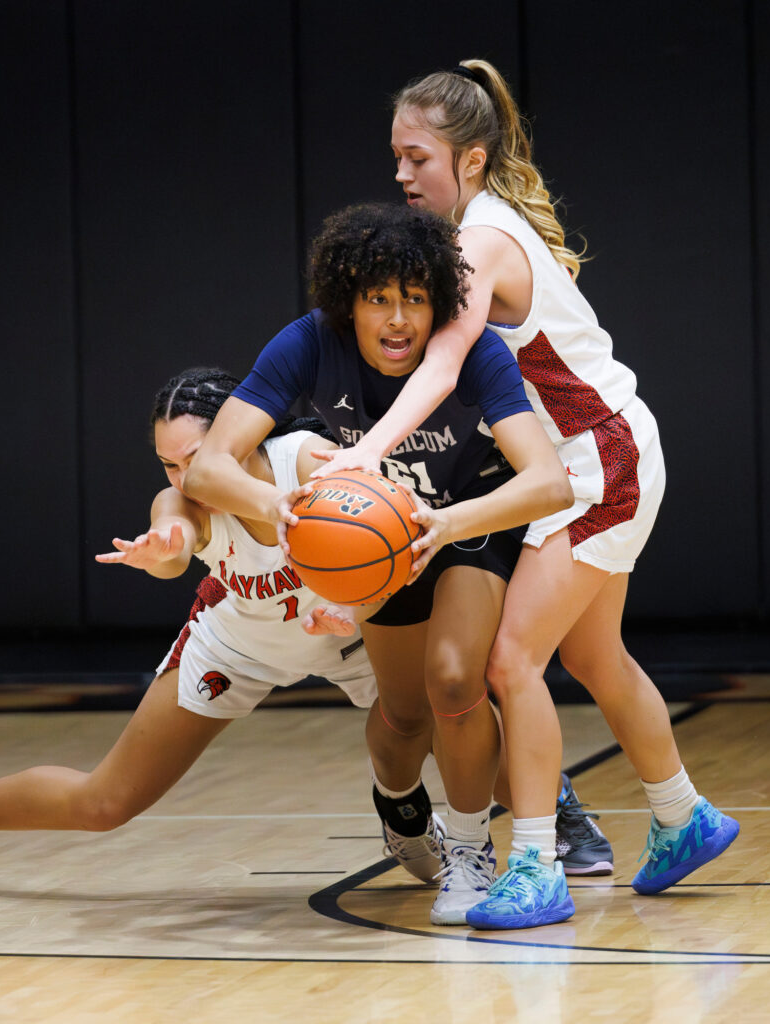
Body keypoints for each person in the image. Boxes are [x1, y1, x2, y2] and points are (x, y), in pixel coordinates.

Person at [307, 60, 739, 929]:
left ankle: (536, 864)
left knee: (508, 662)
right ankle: (682, 815)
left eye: (416, 157)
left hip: (597, 460)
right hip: (590, 457)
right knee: (593, 658)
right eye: (393, 157)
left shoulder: (483, 239)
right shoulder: (482, 226)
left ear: (468, 159)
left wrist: (366, 456)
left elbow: (440, 363)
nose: (400, 175)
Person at [0, 368, 445, 898]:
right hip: (238, 645)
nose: (185, 478)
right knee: (105, 803)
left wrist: (358, 608)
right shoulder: (182, 497)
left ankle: (403, 806)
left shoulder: (313, 463)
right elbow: (174, 538)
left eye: (193, 459)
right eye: (167, 464)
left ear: (241, 431)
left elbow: (398, 567)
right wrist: (164, 548)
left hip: (348, 635)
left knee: (432, 709)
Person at [184, 202, 577, 924]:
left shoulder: (477, 351)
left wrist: (445, 523)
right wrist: (275, 506)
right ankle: (399, 802)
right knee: (401, 718)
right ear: (347, 304)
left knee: (456, 680)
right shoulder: (307, 343)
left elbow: (547, 482)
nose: (397, 320)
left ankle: (468, 850)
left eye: (415, 299)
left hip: (464, 520)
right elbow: (206, 470)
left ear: (439, 301)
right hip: (374, 533)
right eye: (377, 299)